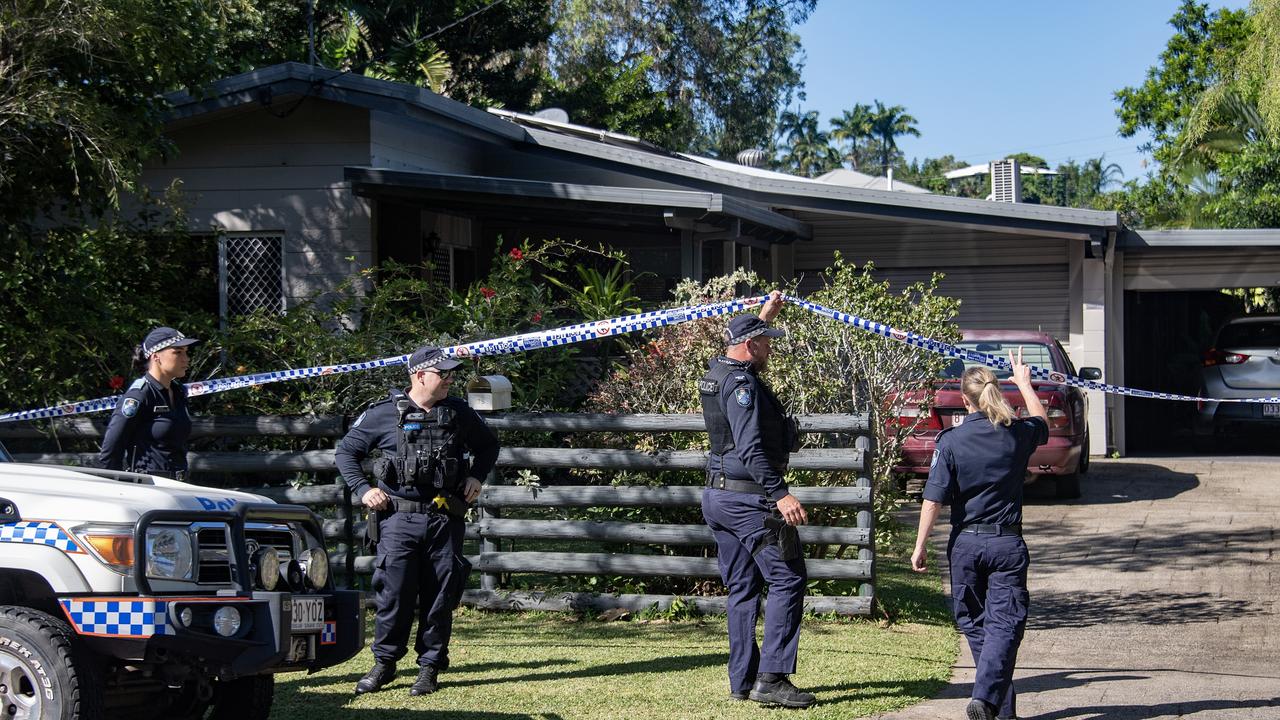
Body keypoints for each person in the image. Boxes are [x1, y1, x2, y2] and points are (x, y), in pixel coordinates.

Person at [336, 345, 499, 697]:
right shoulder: (382, 414)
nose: (450, 380)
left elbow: (488, 446)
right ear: (420, 375)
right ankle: (385, 664)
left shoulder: (458, 413)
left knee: (440, 595)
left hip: (444, 519)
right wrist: (363, 489)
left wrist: (476, 476)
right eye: (444, 374)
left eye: (451, 374)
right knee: (393, 594)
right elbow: (346, 452)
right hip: (397, 520)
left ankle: (429, 667)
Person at [910, 349, 1049, 720]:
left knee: (976, 622)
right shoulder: (1016, 434)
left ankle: (989, 701)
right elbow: (1042, 421)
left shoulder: (951, 441)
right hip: (1006, 542)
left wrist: (920, 545)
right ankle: (994, 705)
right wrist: (1024, 383)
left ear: (963, 398)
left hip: (966, 544)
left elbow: (932, 499)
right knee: (1004, 624)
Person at [698, 291, 815, 709]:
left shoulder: (719, 372)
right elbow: (750, 447)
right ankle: (772, 678)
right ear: (750, 346)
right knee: (787, 578)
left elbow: (738, 357)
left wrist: (762, 318)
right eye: (766, 342)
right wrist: (780, 494)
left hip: (718, 496)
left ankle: (742, 680)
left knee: (743, 589)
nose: (770, 349)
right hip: (748, 501)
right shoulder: (743, 384)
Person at [96, 327, 200, 478]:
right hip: (149, 488)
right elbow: (111, 450)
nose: (186, 358)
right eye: (178, 352)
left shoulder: (179, 392)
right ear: (156, 356)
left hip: (179, 485)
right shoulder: (139, 395)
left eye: (186, 352)